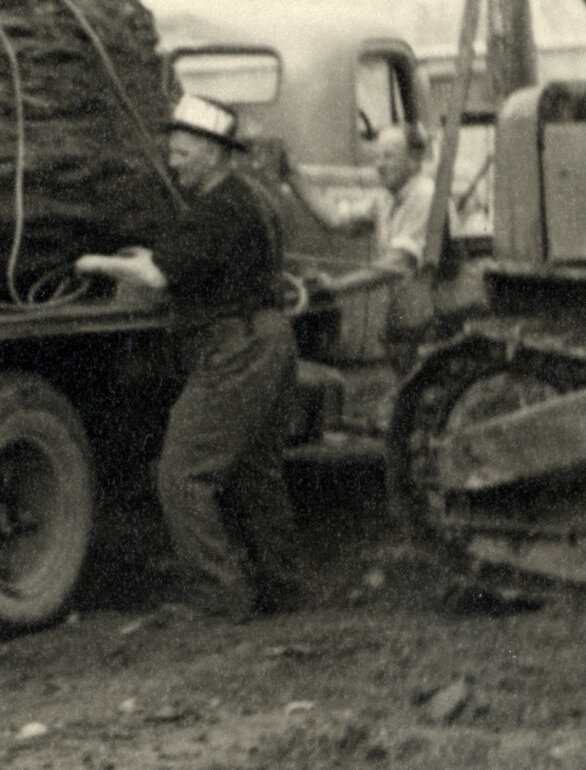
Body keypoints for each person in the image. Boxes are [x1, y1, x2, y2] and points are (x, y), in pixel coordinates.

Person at [76, 93, 301, 620]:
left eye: (181, 153)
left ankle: (219, 597)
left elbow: (157, 276)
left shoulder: (216, 208)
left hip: (236, 348)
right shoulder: (252, 198)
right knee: (255, 472)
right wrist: (146, 259)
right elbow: (185, 261)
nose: (173, 164)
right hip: (269, 339)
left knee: (181, 474)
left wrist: (97, 263)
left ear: (214, 152)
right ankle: (282, 587)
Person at [280, 124, 438, 303]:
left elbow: (396, 264)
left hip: (431, 310)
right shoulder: (386, 198)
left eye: (388, 156)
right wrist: (292, 175)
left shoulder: (425, 194)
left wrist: (336, 286)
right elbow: (336, 219)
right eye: (377, 157)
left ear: (414, 159)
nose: (379, 165)